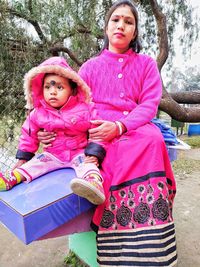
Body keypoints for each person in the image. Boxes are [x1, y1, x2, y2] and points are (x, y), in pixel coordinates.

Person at [38, 1, 177, 266]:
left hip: (135, 128)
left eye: (128, 21)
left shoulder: (146, 65)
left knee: (153, 140)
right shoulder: (89, 68)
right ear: (106, 27)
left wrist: (121, 126)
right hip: (97, 130)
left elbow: (149, 104)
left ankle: (155, 246)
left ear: (134, 31)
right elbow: (71, 106)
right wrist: (49, 130)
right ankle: (117, 248)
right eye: (116, 20)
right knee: (104, 150)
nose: (121, 26)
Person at [0, 56, 107, 205]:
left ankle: (93, 184)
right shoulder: (38, 113)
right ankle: (13, 178)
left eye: (59, 87)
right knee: (35, 164)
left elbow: (97, 131)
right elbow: (28, 135)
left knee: (88, 165)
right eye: (47, 87)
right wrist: (22, 158)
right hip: (52, 155)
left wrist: (94, 154)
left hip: (78, 153)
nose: (53, 92)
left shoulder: (84, 109)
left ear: (72, 89)